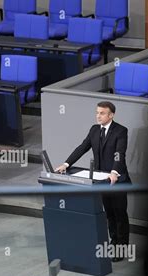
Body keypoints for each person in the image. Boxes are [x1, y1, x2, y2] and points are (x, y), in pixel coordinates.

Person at [55, 101, 131, 262]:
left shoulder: (121, 131)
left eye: (102, 113)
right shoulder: (94, 130)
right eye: (97, 112)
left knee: (119, 214)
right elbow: (82, 147)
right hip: (101, 181)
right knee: (109, 214)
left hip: (117, 179)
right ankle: (113, 242)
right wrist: (66, 164)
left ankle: (121, 248)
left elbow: (120, 153)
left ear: (111, 115)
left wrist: (114, 172)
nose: (98, 115)